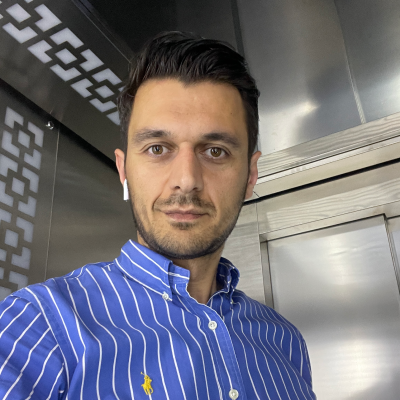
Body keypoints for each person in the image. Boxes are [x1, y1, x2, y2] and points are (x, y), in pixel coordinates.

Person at [0, 31, 316, 400]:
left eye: (215, 151)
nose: (187, 179)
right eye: (157, 148)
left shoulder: (286, 342)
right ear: (124, 170)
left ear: (250, 175)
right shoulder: (38, 325)